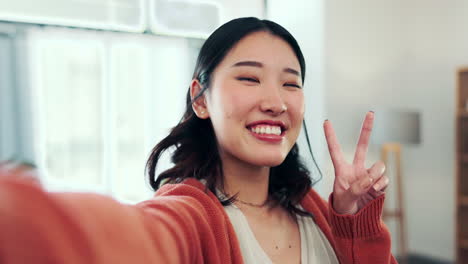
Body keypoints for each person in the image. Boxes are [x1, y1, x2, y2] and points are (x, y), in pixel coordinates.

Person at [0, 17, 396, 263]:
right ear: (200, 98)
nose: (276, 102)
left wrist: (353, 223)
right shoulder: (189, 217)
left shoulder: (315, 211)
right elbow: (122, 240)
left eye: (290, 84)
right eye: (248, 78)